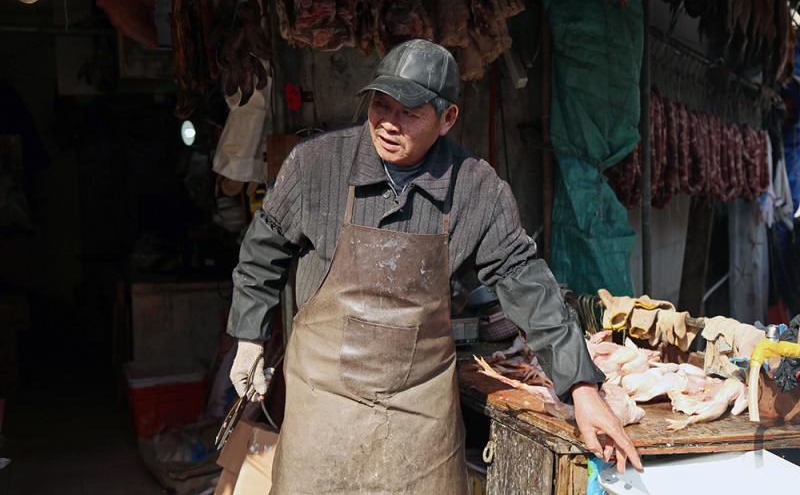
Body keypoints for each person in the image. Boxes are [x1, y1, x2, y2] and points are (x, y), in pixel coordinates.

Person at [227, 39, 642, 493]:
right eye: (381, 106)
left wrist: (582, 388)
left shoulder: (476, 189)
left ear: (447, 119)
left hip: (419, 421)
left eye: (410, 113)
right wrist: (249, 337)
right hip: (321, 407)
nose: (388, 123)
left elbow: (526, 282)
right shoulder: (316, 166)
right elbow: (262, 251)